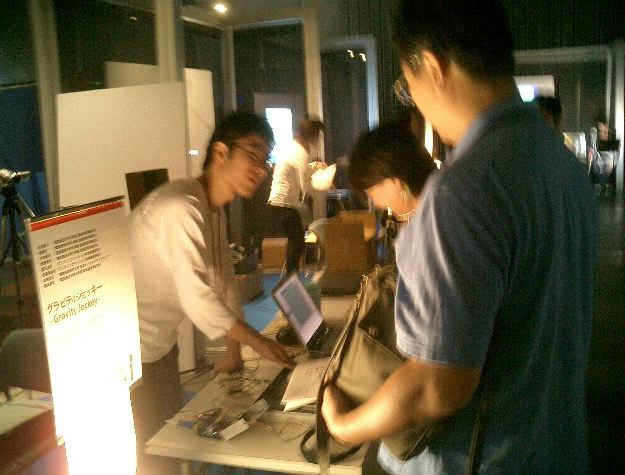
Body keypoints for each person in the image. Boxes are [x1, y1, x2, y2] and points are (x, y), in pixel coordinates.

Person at [321, 1, 597, 474]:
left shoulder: (461, 191)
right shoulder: (563, 165)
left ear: (433, 67)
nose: (414, 100)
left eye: (408, 85)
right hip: (554, 448)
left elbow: (437, 385)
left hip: (480, 459)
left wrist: (345, 426)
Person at [129, 111, 294, 475]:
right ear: (221, 153)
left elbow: (224, 282)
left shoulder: (211, 208)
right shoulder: (180, 206)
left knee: (171, 447)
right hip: (131, 353)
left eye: (265, 160)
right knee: (153, 454)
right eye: (253, 155)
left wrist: (234, 352)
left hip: (160, 344)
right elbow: (198, 298)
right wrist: (257, 342)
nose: (261, 169)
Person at [268, 116, 326, 276]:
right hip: (284, 203)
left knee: (296, 241)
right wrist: (324, 181)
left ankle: (291, 277)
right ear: (311, 136)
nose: (318, 140)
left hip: (280, 202)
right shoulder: (300, 152)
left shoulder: (294, 148)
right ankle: (290, 278)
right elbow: (304, 186)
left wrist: (316, 166)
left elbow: (302, 170)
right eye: (317, 136)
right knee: (297, 242)